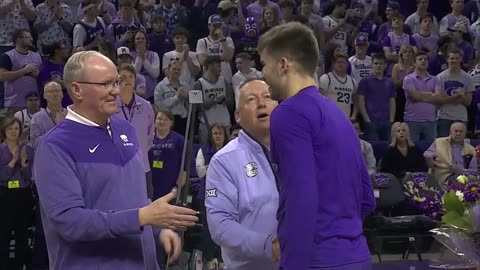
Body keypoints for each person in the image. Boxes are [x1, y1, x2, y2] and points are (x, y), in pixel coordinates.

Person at [33, 51, 199, 270]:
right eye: (105, 84)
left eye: (116, 82)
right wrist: (141, 218)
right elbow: (69, 222)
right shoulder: (54, 146)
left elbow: (131, 200)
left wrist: (157, 227)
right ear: (76, 89)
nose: (116, 91)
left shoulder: (127, 130)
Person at [257, 22, 375, 270]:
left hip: (316, 260)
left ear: (283, 65)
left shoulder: (288, 113)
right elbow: (366, 197)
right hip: (357, 255)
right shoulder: (338, 114)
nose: (263, 75)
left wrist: (295, 260)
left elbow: (302, 195)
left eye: (265, 66)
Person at [205, 79, 279, 270]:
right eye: (252, 99)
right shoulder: (224, 161)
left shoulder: (297, 150)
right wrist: (268, 246)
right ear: (237, 116)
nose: (262, 103)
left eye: (268, 97)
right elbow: (219, 225)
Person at [0, 117, 35, 270]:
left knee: (22, 232)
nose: (14, 131)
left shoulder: (26, 149)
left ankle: (19, 264)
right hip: (5, 195)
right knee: (4, 232)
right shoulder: (1, 150)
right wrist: (13, 161)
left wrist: (25, 163)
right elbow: (2, 177)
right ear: (4, 131)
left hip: (23, 195)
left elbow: (29, 177)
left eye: (16, 128)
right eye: (10, 128)